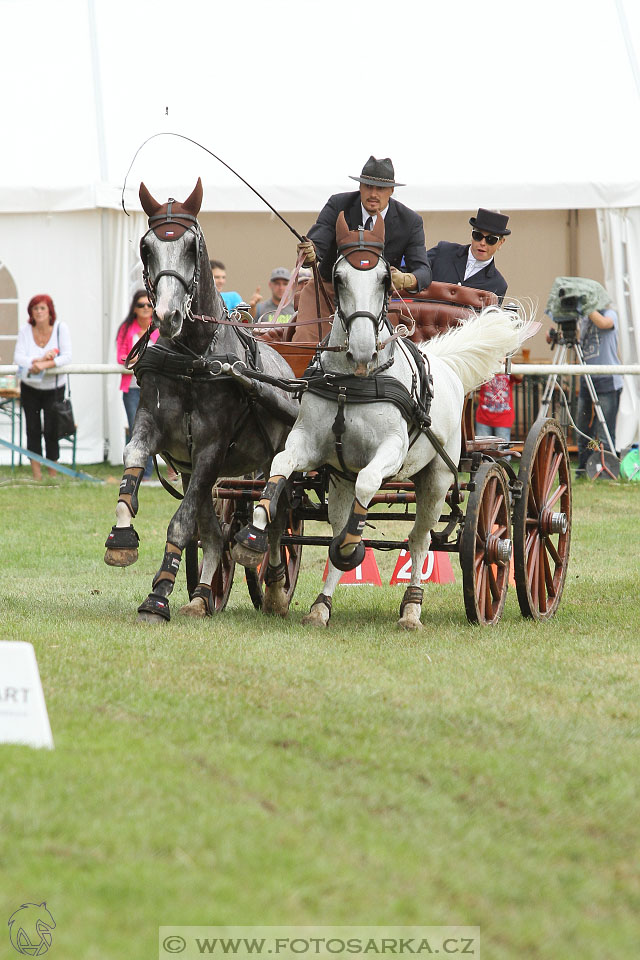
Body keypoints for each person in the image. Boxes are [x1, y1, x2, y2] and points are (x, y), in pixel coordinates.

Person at [297, 156, 431, 293]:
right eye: (368, 186)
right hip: (332, 291)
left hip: (379, 300)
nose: (373, 194)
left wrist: (405, 279)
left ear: (391, 190)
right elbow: (318, 241)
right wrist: (310, 252)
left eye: (380, 188)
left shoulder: (410, 221)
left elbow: (424, 272)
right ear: (360, 186)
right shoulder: (337, 205)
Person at [14, 293, 72, 480]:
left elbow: (67, 356)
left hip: (54, 388)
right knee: (32, 429)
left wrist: (46, 365)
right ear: (31, 312)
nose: (38, 312)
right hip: (30, 387)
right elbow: (19, 357)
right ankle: (37, 475)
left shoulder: (60, 328)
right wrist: (38, 360)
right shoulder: (25, 330)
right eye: (35, 308)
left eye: (42, 308)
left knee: (51, 429)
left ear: (49, 311)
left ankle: (53, 474)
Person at [574, 302, 623, 478]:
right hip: (587, 378)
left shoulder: (610, 312)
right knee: (582, 430)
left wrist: (585, 307)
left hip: (608, 379)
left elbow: (604, 323)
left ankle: (606, 474)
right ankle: (582, 471)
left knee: (605, 432)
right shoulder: (585, 319)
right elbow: (579, 340)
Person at [116, 290, 159, 481]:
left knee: (152, 428)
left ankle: (147, 473)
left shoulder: (158, 329)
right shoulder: (126, 329)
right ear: (134, 308)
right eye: (141, 305)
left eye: (149, 305)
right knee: (136, 429)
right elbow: (121, 357)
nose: (145, 308)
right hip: (132, 388)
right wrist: (137, 360)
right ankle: (133, 471)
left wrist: (138, 359)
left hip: (155, 388)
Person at [427, 208, 510, 298]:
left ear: (501, 243)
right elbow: (416, 268)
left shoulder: (498, 285)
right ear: (471, 234)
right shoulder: (443, 251)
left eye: (491, 239)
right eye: (478, 235)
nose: (482, 243)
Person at [475, 372, 522, 444]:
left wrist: (506, 362)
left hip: (503, 418)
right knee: (482, 450)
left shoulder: (508, 366)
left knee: (503, 450)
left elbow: (520, 376)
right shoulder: (485, 365)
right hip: (483, 417)